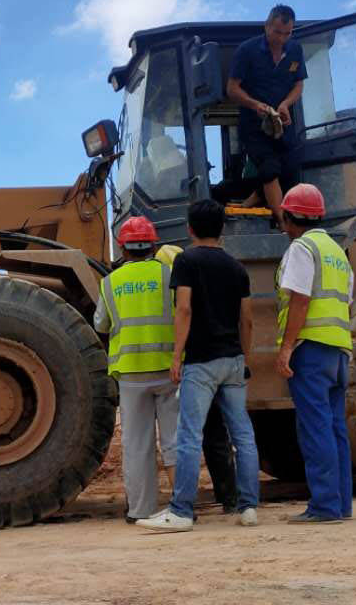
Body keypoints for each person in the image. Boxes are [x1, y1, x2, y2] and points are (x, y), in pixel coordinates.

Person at [138, 199, 261, 532]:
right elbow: (246, 318)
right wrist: (244, 358)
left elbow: (185, 310)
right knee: (243, 436)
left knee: (189, 436)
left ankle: (181, 511)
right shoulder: (237, 268)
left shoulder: (187, 261)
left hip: (201, 362)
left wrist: (176, 355)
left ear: (190, 229)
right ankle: (248, 507)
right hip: (233, 359)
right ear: (222, 229)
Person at [273, 184, 354, 524]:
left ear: (291, 216)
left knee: (315, 428)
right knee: (335, 429)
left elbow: (301, 300)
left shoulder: (302, 248)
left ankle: (323, 506)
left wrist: (287, 347)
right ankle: (340, 504)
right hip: (338, 350)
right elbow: (346, 300)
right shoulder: (336, 250)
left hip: (311, 350)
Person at [96, 216, 180, 524]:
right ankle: (183, 505)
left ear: (123, 248)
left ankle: (140, 510)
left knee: (136, 444)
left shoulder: (109, 282)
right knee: (173, 439)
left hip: (131, 374)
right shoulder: (170, 274)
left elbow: (101, 324)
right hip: (168, 368)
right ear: (154, 246)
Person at [159, 243, 237, 513]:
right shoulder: (209, 280)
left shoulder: (179, 291)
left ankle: (183, 504)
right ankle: (231, 498)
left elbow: (182, 317)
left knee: (189, 436)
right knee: (218, 433)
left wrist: (176, 358)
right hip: (216, 361)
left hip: (195, 366)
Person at [225, 4, 307, 226]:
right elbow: (232, 89)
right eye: (277, 32)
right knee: (269, 169)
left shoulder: (296, 50)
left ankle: (255, 197)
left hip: (283, 122)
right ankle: (282, 223)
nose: (281, 38)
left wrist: (286, 104)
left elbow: (299, 85)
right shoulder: (246, 51)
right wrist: (254, 105)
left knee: (290, 169)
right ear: (267, 26)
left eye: (287, 33)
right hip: (254, 125)